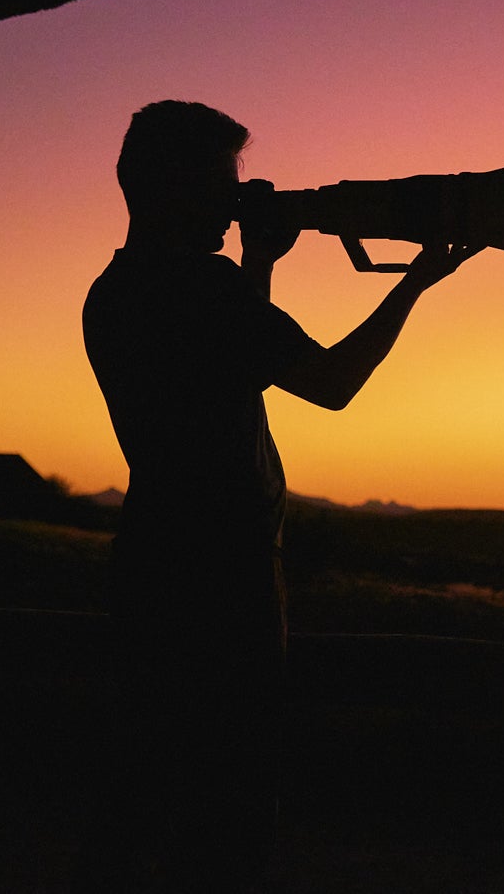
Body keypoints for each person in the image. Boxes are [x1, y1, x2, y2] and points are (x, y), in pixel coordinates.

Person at [73, 100, 477, 892]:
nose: (233, 204)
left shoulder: (115, 290)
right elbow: (332, 382)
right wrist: (415, 283)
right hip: (226, 578)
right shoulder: (206, 288)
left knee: (147, 790)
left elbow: (227, 372)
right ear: (173, 186)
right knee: (232, 801)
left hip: (153, 560)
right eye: (221, 186)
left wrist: (257, 263)